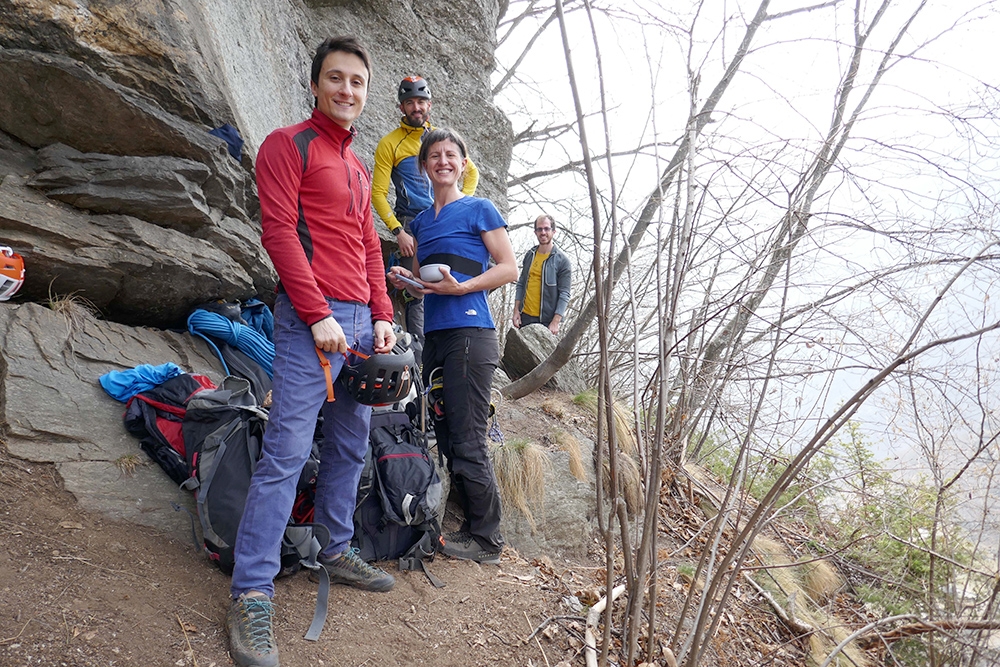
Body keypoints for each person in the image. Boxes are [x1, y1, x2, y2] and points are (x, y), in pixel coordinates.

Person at [226, 36, 397, 667]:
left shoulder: (355, 166)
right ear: (316, 83)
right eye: (336, 78)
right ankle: (251, 590)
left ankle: (333, 546)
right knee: (288, 451)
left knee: (351, 442)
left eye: (357, 81)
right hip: (309, 320)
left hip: (358, 326)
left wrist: (382, 317)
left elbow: (371, 250)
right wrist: (318, 312)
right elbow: (278, 233)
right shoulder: (287, 144)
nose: (346, 89)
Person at [387, 128, 517, 565]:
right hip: (437, 336)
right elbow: (429, 287)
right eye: (434, 156)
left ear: (463, 164)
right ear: (424, 167)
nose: (442, 161)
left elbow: (508, 268)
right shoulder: (421, 222)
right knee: (442, 432)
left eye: (451, 155)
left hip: (471, 333)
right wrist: (406, 281)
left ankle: (487, 538)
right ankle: (466, 522)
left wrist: (467, 289)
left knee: (466, 435)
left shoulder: (480, 208)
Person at [372, 76, 480, 366]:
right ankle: (421, 361)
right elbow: (378, 194)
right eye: (410, 103)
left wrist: (460, 205)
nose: (416, 108)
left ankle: (454, 350)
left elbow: (472, 173)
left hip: (444, 220)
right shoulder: (390, 143)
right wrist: (398, 231)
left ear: (429, 104)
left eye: (420, 102)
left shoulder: (439, 141)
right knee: (415, 291)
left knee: (455, 280)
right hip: (411, 224)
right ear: (401, 106)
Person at [512, 214, 573, 336]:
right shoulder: (530, 255)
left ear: (553, 231)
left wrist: (556, 321)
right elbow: (521, 283)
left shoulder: (562, 261)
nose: (543, 232)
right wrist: (516, 310)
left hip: (547, 322)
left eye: (546, 229)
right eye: (539, 229)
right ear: (535, 232)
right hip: (525, 317)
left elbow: (564, 293)